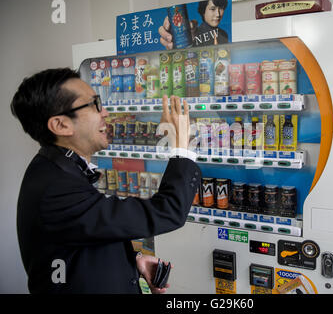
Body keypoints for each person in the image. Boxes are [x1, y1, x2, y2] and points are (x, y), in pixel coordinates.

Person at [10, 68, 201, 294]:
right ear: (61, 125)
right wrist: (181, 148)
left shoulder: (57, 170)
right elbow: (168, 211)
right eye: (94, 104)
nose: (105, 112)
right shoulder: (55, 189)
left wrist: (133, 260)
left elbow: (85, 234)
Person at [159, 0, 228, 49]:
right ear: (203, 10)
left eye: (221, 8)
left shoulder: (224, 35)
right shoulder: (195, 33)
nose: (218, 14)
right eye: (213, 9)